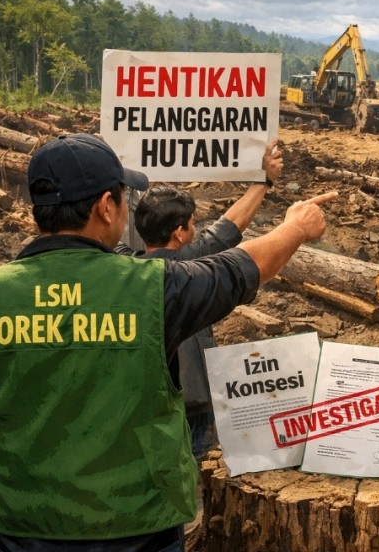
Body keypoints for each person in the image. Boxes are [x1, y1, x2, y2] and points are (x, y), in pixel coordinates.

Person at [0, 133, 336, 551]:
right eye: (123, 197)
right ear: (106, 207)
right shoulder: (154, 288)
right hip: (137, 534)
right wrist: (295, 228)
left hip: (12, 536)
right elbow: (243, 268)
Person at [115, 139, 283, 461]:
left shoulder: (123, 264)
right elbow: (233, 225)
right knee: (195, 471)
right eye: (192, 224)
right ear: (179, 233)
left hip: (139, 403)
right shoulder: (192, 264)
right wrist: (265, 181)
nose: (196, 229)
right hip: (192, 401)